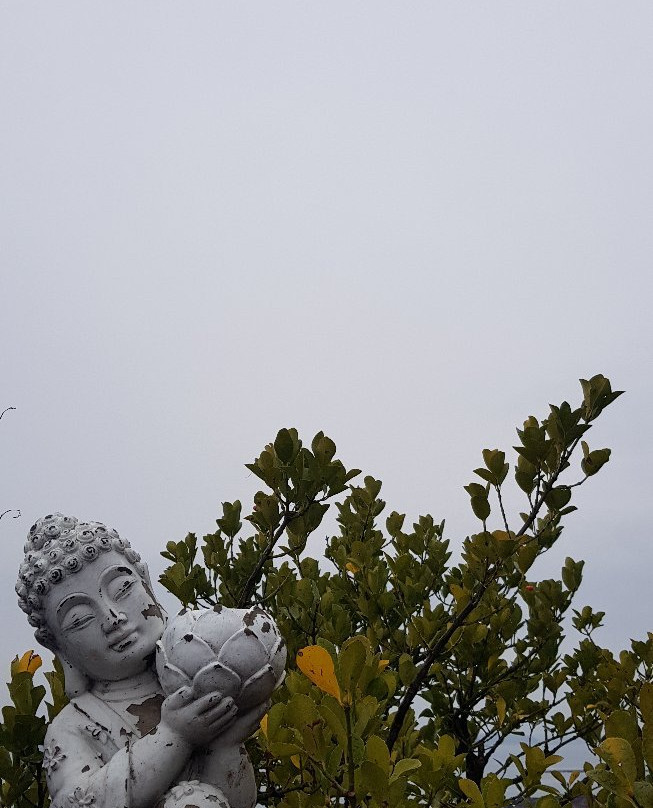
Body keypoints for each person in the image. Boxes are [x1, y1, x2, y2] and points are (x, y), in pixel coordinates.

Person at [16, 513, 268, 808]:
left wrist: (225, 746)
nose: (112, 618)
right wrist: (174, 736)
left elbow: (235, 802)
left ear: (146, 582)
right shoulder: (73, 726)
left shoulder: (190, 685)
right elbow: (75, 802)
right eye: (80, 619)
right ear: (58, 647)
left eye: (122, 589)